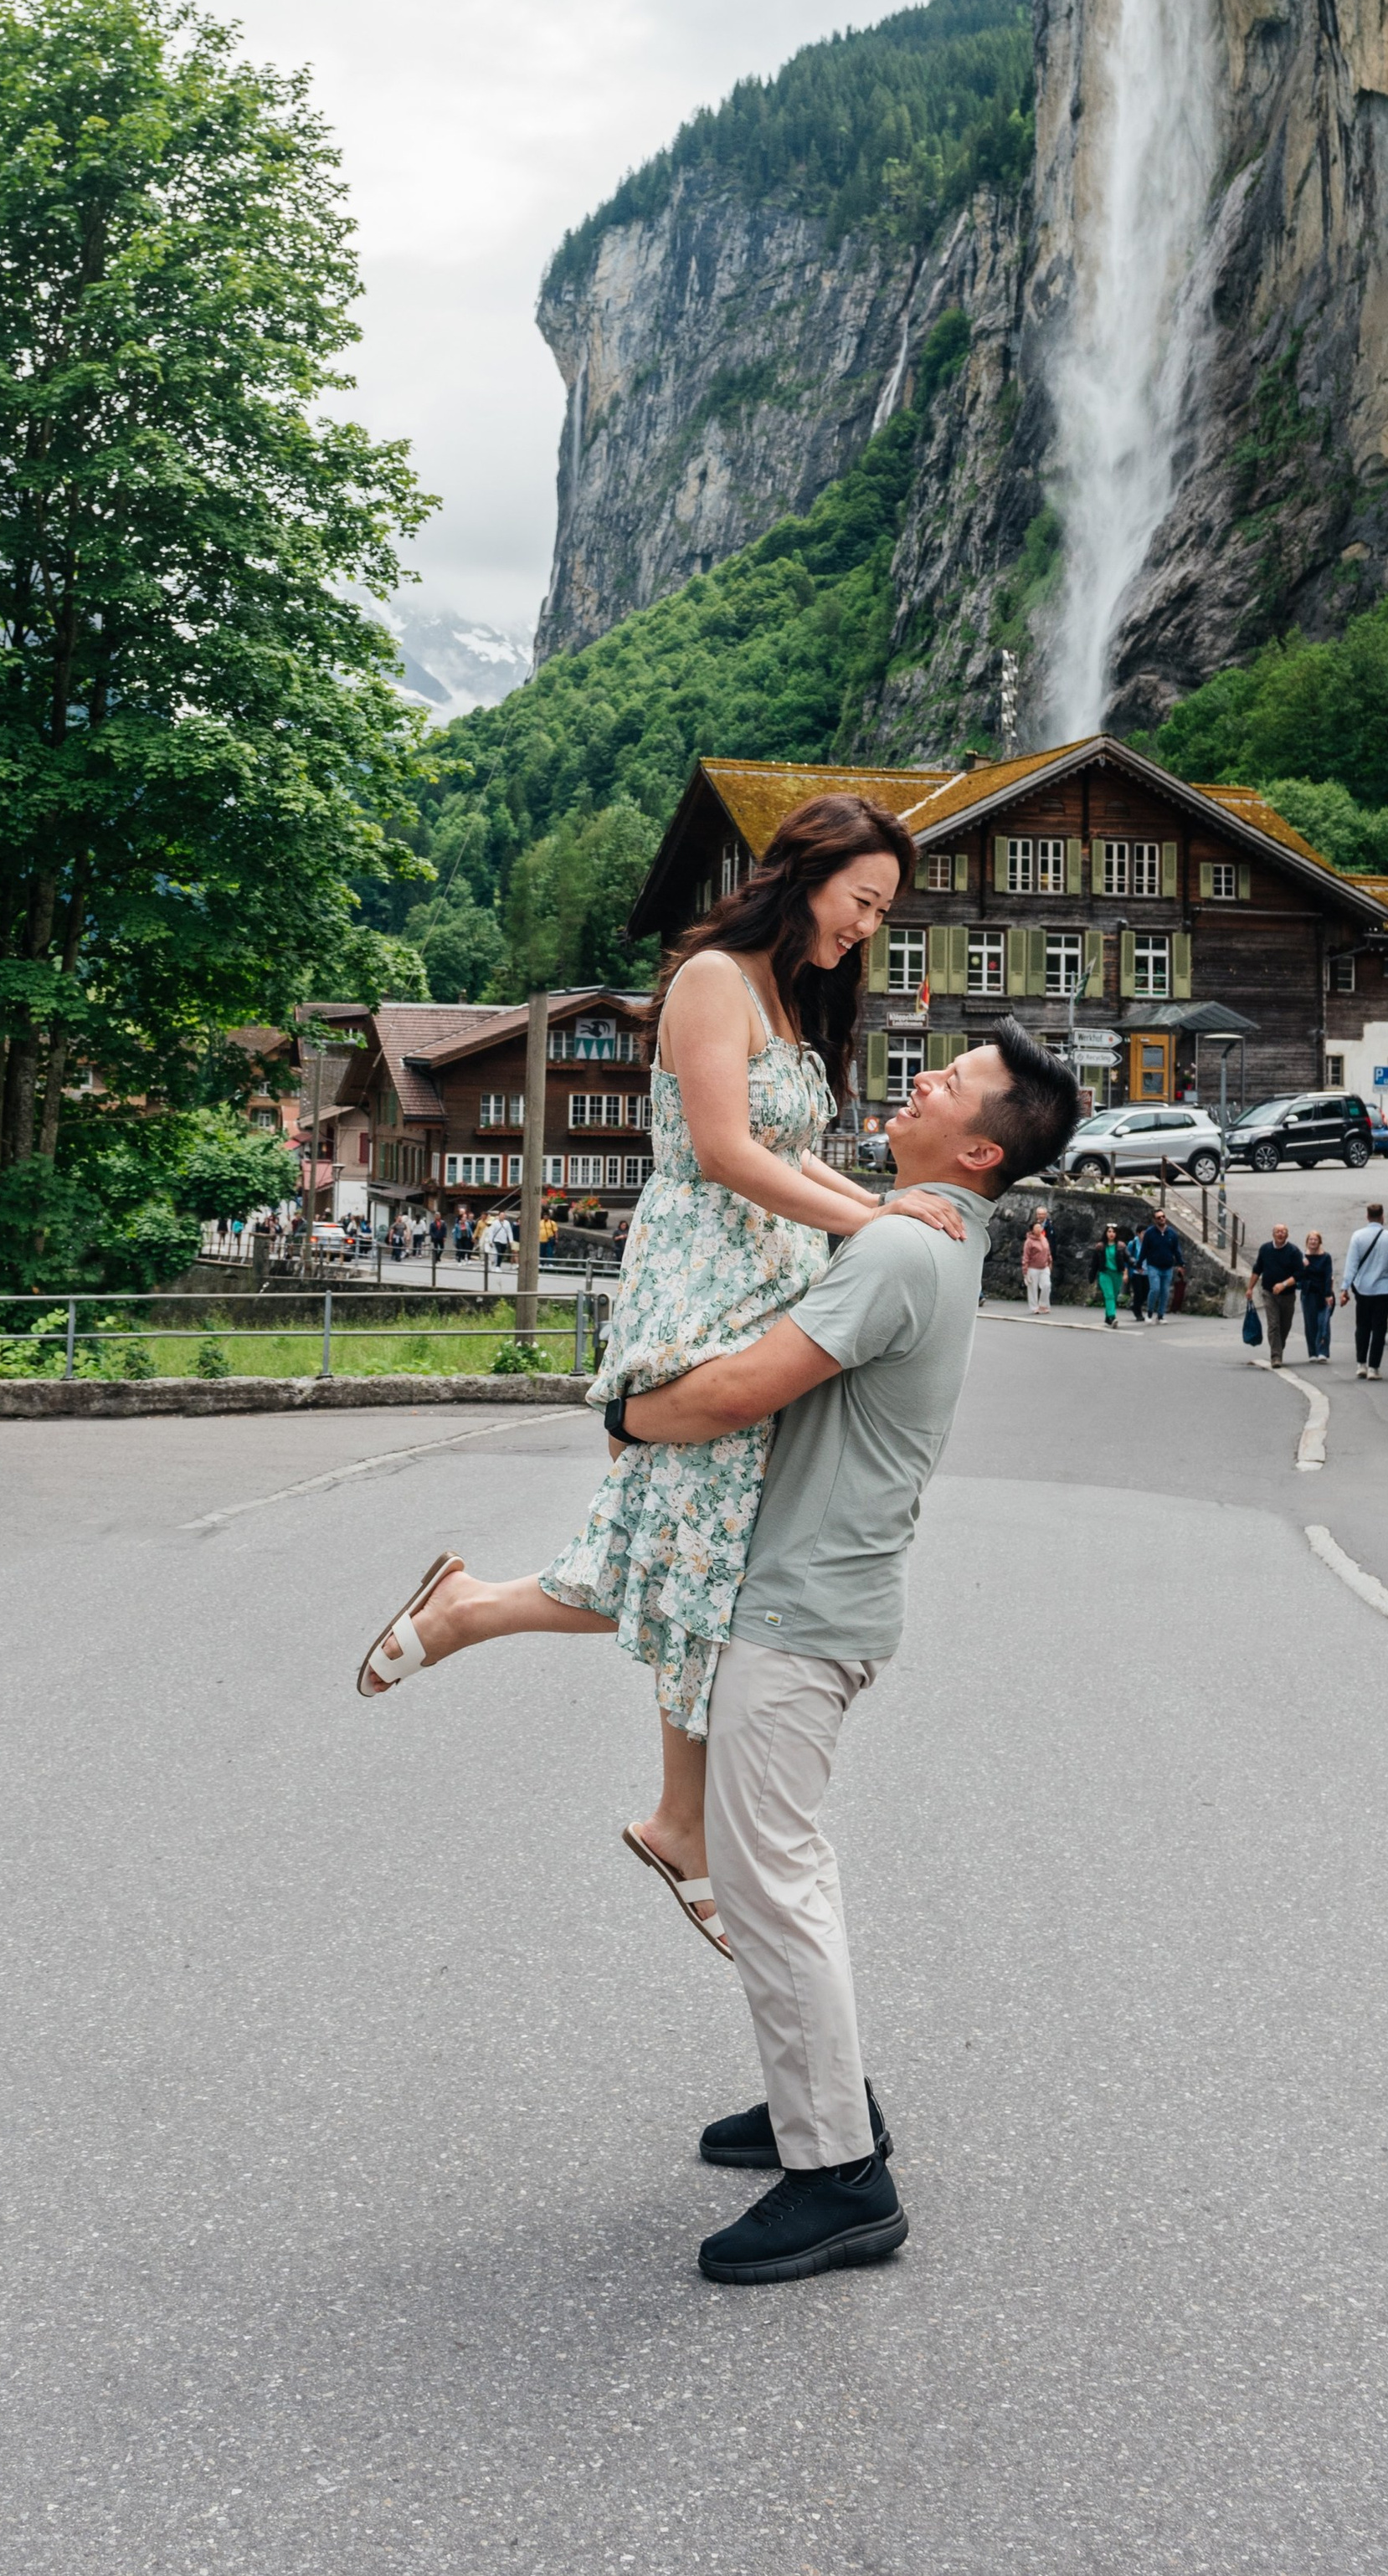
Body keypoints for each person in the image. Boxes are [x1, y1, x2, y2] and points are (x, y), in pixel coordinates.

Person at [362, 1026, 1082, 2285]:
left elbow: (745, 1386)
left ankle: (842, 2178)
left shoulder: (903, 1248)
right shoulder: (925, 1235)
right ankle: (822, 2101)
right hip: (810, 1598)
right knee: (767, 1875)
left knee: (771, 1880)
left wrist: (624, 1411)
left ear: (979, 1148)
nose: (922, 1078)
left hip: (800, 1614)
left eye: (952, 1081)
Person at [357, 793, 969, 1959]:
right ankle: (666, 1809)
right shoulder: (712, 980)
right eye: (863, 900)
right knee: (700, 1546)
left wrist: (884, 1215)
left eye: (883, 911)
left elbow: (790, 1155)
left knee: (698, 1546)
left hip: (765, 1280)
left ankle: (499, 1639)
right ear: (806, 873)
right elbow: (728, 1154)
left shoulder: (786, 993)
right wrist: (881, 1219)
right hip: (701, 1284)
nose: (868, 927)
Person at [1339, 1202, 1388, 1379]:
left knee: (1362, 1326)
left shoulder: (1358, 1236)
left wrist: (1345, 1288)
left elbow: (1351, 1264)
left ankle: (1361, 1363)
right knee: (1379, 1328)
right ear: (1382, 1217)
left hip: (1363, 1288)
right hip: (1384, 1289)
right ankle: (1374, 1367)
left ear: (1367, 1217)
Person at [1251, 1222, 1304, 1365]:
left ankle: (1278, 1348)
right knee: (1274, 1325)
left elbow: (1299, 1273)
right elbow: (1257, 1269)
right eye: (1278, 1232)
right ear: (1273, 1234)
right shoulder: (1265, 1249)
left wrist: (1283, 1284)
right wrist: (1250, 1288)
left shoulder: (1294, 1251)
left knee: (1285, 1326)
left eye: (1283, 1232)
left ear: (1287, 1235)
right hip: (1269, 1293)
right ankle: (1276, 1356)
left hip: (1288, 1295)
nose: (1280, 1234)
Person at [1141, 1206, 1184, 1322]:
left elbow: (1176, 1250)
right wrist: (1139, 1263)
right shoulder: (1150, 1233)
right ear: (1155, 1220)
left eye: (1163, 1216)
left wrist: (1181, 1264)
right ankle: (1150, 1312)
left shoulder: (1172, 1233)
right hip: (1153, 1265)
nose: (1162, 1219)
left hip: (1167, 1266)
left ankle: (1160, 1315)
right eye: (1159, 1217)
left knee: (1165, 1292)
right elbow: (1144, 1249)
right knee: (1155, 1289)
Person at [1299, 1229, 1334, 1361]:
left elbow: (1328, 1276)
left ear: (1320, 1242)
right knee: (1310, 1323)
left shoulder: (1326, 1257)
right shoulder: (1302, 1257)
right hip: (1308, 1293)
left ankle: (1323, 1352)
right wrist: (1303, 1266)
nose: (1313, 1242)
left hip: (1323, 1293)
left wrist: (1328, 1294)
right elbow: (1298, 1275)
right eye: (1311, 1239)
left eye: (1315, 1240)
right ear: (1307, 1242)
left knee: (1323, 1322)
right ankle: (1312, 1352)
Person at [1092, 1222, 1127, 1327]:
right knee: (1109, 1295)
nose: (1111, 1234)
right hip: (1105, 1273)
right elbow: (1094, 1263)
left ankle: (1108, 1318)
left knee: (1114, 1295)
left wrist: (1135, 1264)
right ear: (1106, 1233)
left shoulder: (1121, 1246)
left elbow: (1128, 1257)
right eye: (1109, 1231)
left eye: (1113, 1232)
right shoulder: (1100, 1247)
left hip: (1117, 1274)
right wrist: (1092, 1275)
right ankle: (1112, 1316)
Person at [1020, 1214, 1053, 1314]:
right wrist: (1025, 1272)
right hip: (1033, 1267)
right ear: (1032, 1230)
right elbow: (1026, 1256)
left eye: (1040, 1227)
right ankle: (1034, 1307)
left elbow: (1048, 1252)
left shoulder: (1044, 1239)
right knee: (1033, 1288)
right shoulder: (1029, 1242)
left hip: (1044, 1267)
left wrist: (1050, 1262)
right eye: (1037, 1228)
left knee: (1047, 1285)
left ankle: (1043, 1304)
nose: (1039, 1229)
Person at [1124, 1224, 1149, 1324]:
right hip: (1135, 1273)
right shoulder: (1133, 1244)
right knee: (1138, 1293)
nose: (1145, 1235)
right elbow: (1127, 1259)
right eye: (1143, 1233)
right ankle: (1138, 1313)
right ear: (1138, 1234)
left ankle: (1135, 1305)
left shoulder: (1149, 1244)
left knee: (1146, 1292)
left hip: (1147, 1272)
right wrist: (1126, 1273)